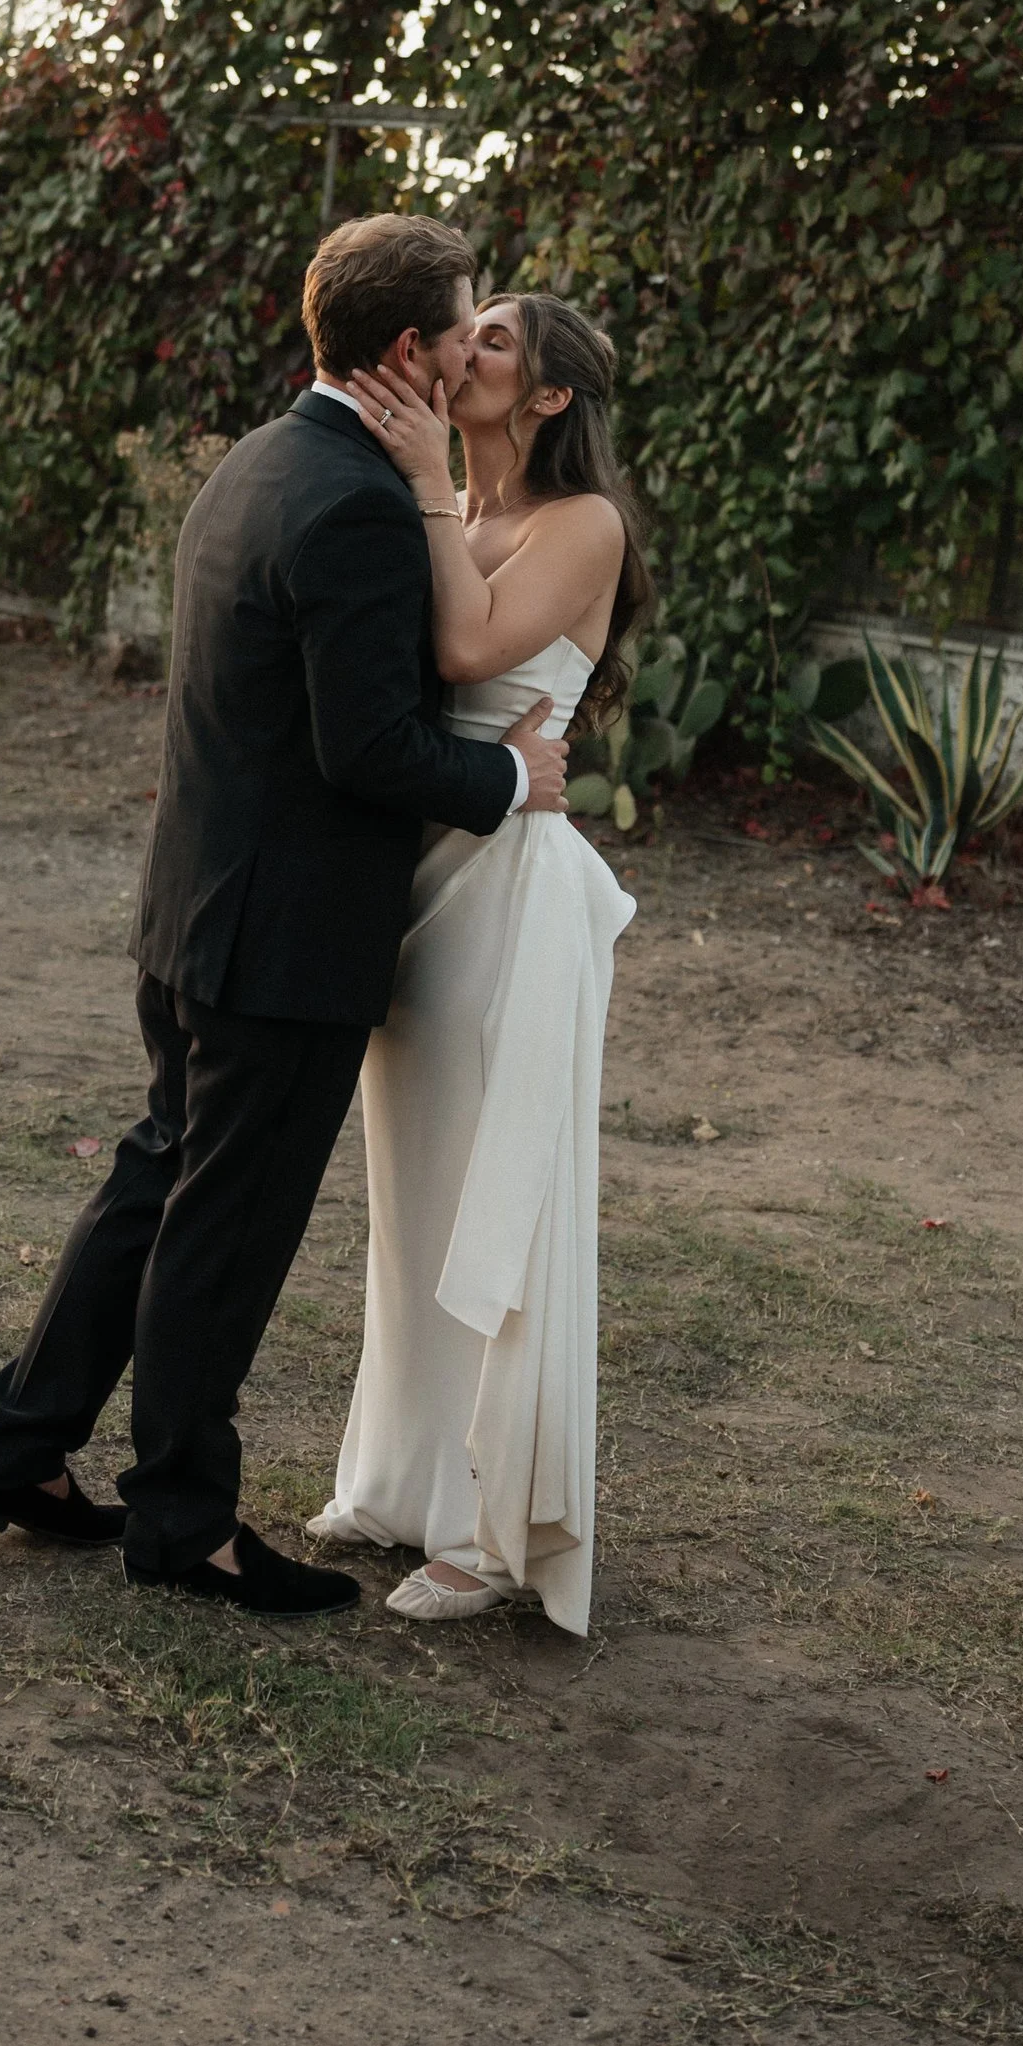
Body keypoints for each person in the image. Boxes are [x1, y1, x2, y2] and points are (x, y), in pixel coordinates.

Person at [0, 214, 570, 1615]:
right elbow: (369, 747)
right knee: (218, 1232)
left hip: (195, 910)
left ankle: (17, 1448)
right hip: (281, 944)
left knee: (157, 1182)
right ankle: (186, 1524)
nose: (479, 344)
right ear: (408, 348)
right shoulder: (351, 500)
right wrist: (507, 772)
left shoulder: (262, 455)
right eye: (466, 325)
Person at [310, 293, 646, 1632]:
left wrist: (423, 485)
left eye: (497, 339)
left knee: (494, 1200)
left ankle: (493, 1523)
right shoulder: (453, 506)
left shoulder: (583, 523)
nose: (467, 351)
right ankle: (399, 1482)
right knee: (415, 1196)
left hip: (515, 893)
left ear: (552, 396)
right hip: (423, 883)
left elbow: (464, 649)